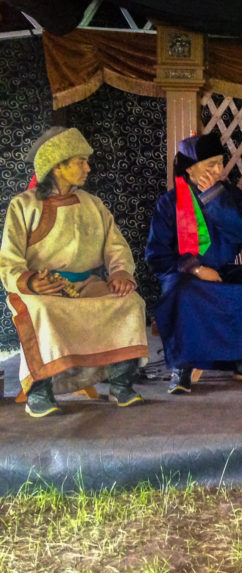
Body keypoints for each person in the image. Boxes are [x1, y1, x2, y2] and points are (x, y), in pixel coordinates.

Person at [0, 127, 148, 416]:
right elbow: (8, 260)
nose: (88, 168)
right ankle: (39, 392)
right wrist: (31, 282)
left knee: (130, 303)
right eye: (80, 161)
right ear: (58, 165)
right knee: (40, 311)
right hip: (42, 290)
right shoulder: (24, 205)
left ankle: (121, 384)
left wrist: (119, 273)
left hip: (86, 285)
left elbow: (115, 246)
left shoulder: (93, 205)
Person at [145, 133, 242, 393]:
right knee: (183, 296)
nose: (217, 170)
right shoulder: (169, 203)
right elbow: (158, 254)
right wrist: (197, 269)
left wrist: (214, 197)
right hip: (183, 276)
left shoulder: (228, 194)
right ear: (190, 168)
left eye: (219, 163)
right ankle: (183, 367)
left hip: (222, 271)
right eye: (209, 165)